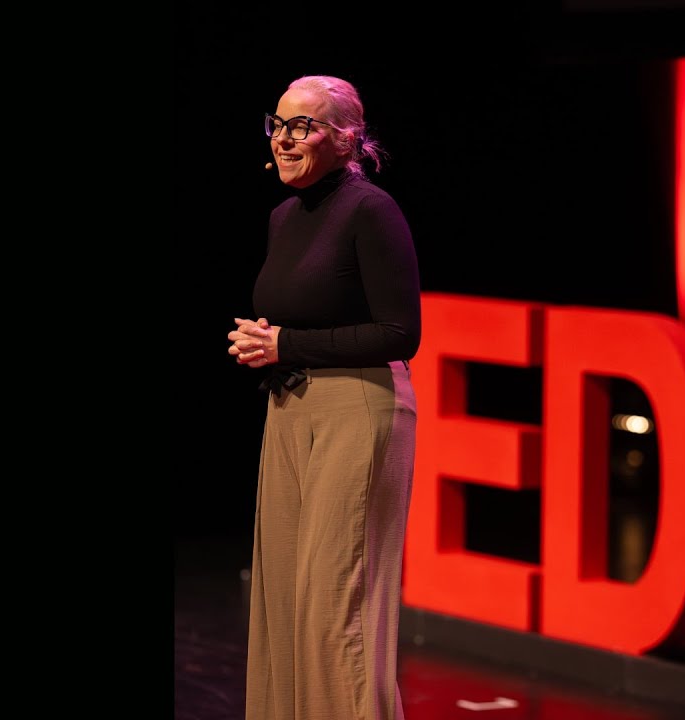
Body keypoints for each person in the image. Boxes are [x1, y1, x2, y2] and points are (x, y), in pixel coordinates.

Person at [226, 74, 420, 720]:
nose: (284, 138)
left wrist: (287, 346)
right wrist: (266, 342)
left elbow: (400, 332)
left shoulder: (371, 210)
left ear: (346, 138)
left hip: (356, 410)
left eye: (302, 126)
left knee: (337, 605)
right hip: (289, 409)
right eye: (278, 124)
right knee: (283, 599)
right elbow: (298, 319)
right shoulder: (284, 216)